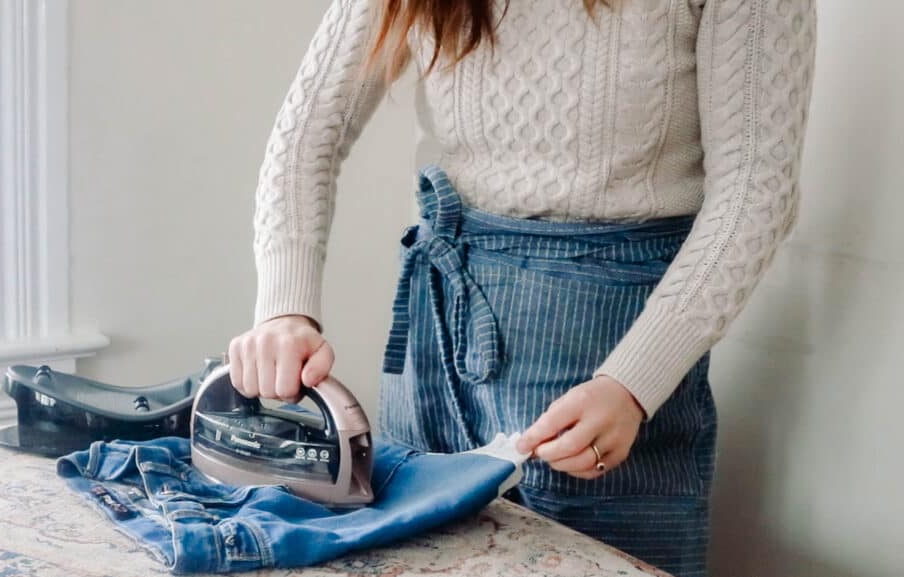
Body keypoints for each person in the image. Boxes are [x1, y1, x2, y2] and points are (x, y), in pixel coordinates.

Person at [228, 1, 816, 575]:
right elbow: (307, 134)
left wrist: (635, 382)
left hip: (610, 365)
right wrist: (286, 309)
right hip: (434, 347)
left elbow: (755, 192)